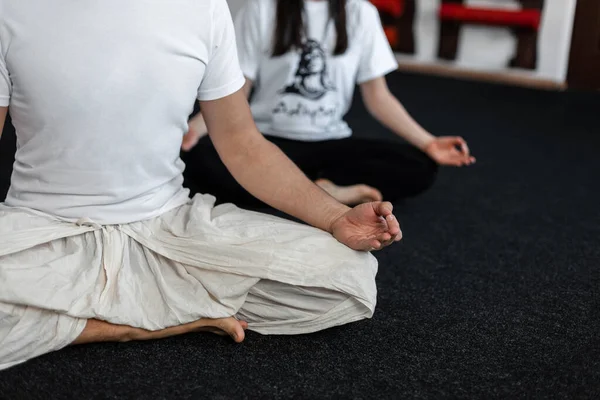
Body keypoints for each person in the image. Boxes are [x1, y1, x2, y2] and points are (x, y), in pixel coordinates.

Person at [0, 0, 401, 370]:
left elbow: (242, 145)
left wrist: (335, 217)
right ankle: (144, 323)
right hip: (43, 230)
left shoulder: (203, 7)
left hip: (168, 228)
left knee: (348, 273)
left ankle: (84, 315)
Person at [181, 0, 476, 208]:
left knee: (419, 166)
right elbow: (236, 90)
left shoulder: (361, 13)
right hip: (266, 144)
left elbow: (378, 97)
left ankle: (306, 191)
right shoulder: (261, 9)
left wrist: (429, 143)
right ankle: (320, 193)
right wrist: (193, 130)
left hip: (331, 143)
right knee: (197, 161)